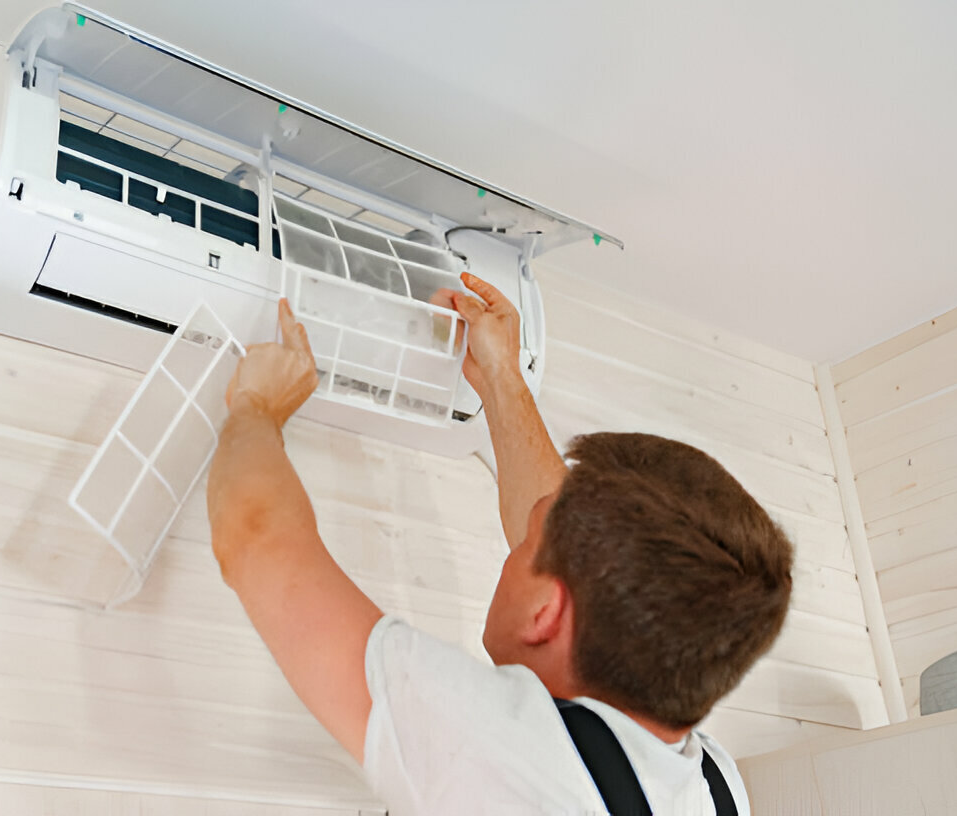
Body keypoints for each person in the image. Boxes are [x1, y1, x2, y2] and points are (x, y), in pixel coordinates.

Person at [206, 272, 794, 815]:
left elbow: (257, 539)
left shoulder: (501, 756)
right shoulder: (715, 787)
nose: (516, 542)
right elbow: (583, 563)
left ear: (547, 613)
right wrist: (499, 375)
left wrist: (257, 405)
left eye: (525, 544)